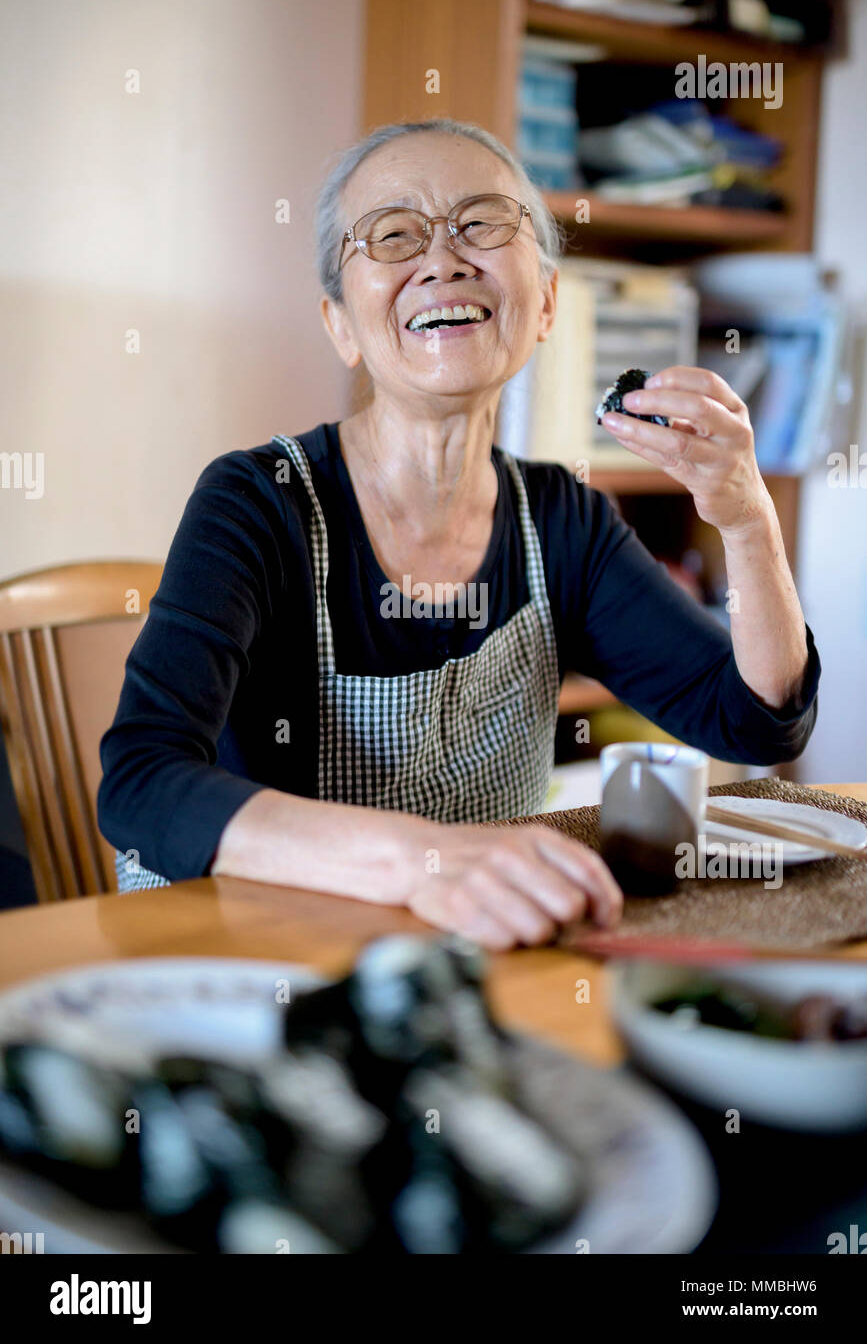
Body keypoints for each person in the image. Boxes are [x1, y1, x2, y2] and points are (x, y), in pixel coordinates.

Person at [98, 117, 820, 950]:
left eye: (481, 224)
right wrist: (431, 866)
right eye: (394, 235)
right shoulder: (259, 502)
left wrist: (745, 518)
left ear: (545, 301)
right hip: (254, 964)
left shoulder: (564, 521)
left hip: (470, 966)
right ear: (339, 323)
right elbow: (142, 783)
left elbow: (757, 722)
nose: (442, 260)